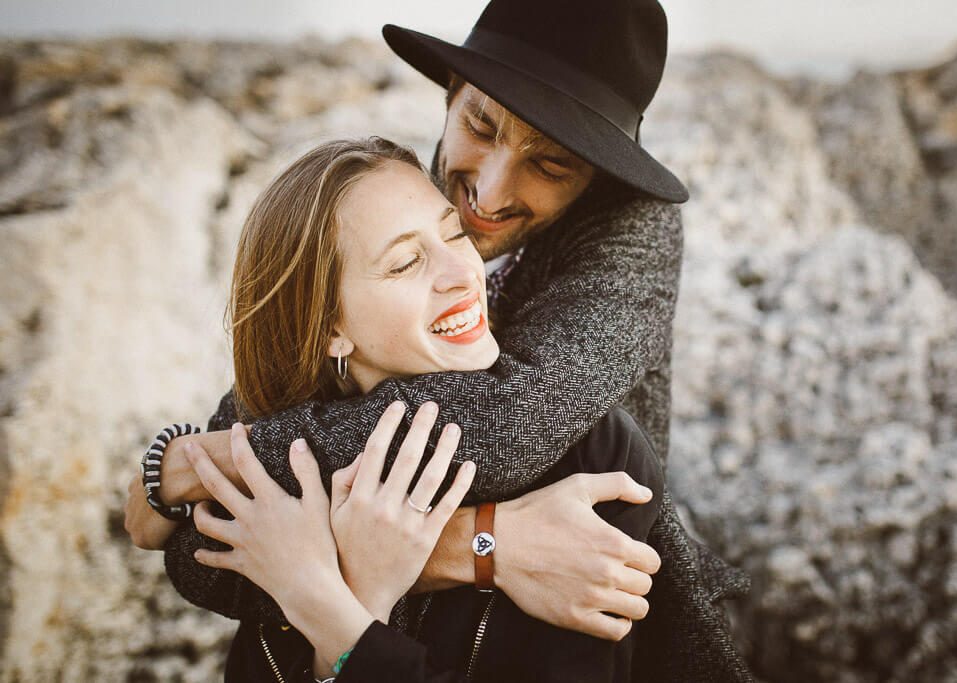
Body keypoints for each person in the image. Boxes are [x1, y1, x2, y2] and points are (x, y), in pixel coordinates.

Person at [125, 0, 752, 680]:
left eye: (550, 166)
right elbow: (198, 557)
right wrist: (479, 546)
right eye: (481, 126)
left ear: (600, 173)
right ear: (452, 94)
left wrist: (215, 463)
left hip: (584, 580)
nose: (486, 194)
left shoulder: (632, 241)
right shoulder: (396, 202)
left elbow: (509, 423)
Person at [163, 136, 666, 681]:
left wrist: (327, 604)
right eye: (405, 263)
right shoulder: (269, 457)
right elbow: (195, 566)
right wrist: (367, 594)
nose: (463, 273)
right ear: (330, 329)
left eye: (455, 233)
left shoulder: (594, 457)